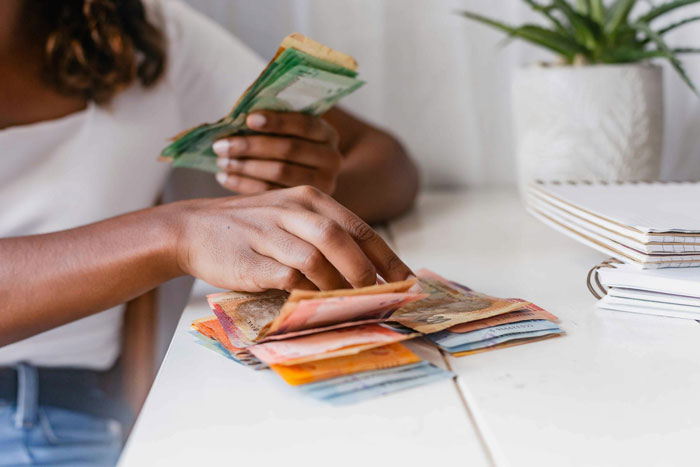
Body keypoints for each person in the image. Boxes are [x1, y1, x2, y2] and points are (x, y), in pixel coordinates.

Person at [0, 0, 419, 464]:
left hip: (66, 416)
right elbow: (180, 234)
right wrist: (176, 234)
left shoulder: (138, 31)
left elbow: (389, 162)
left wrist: (306, 196)